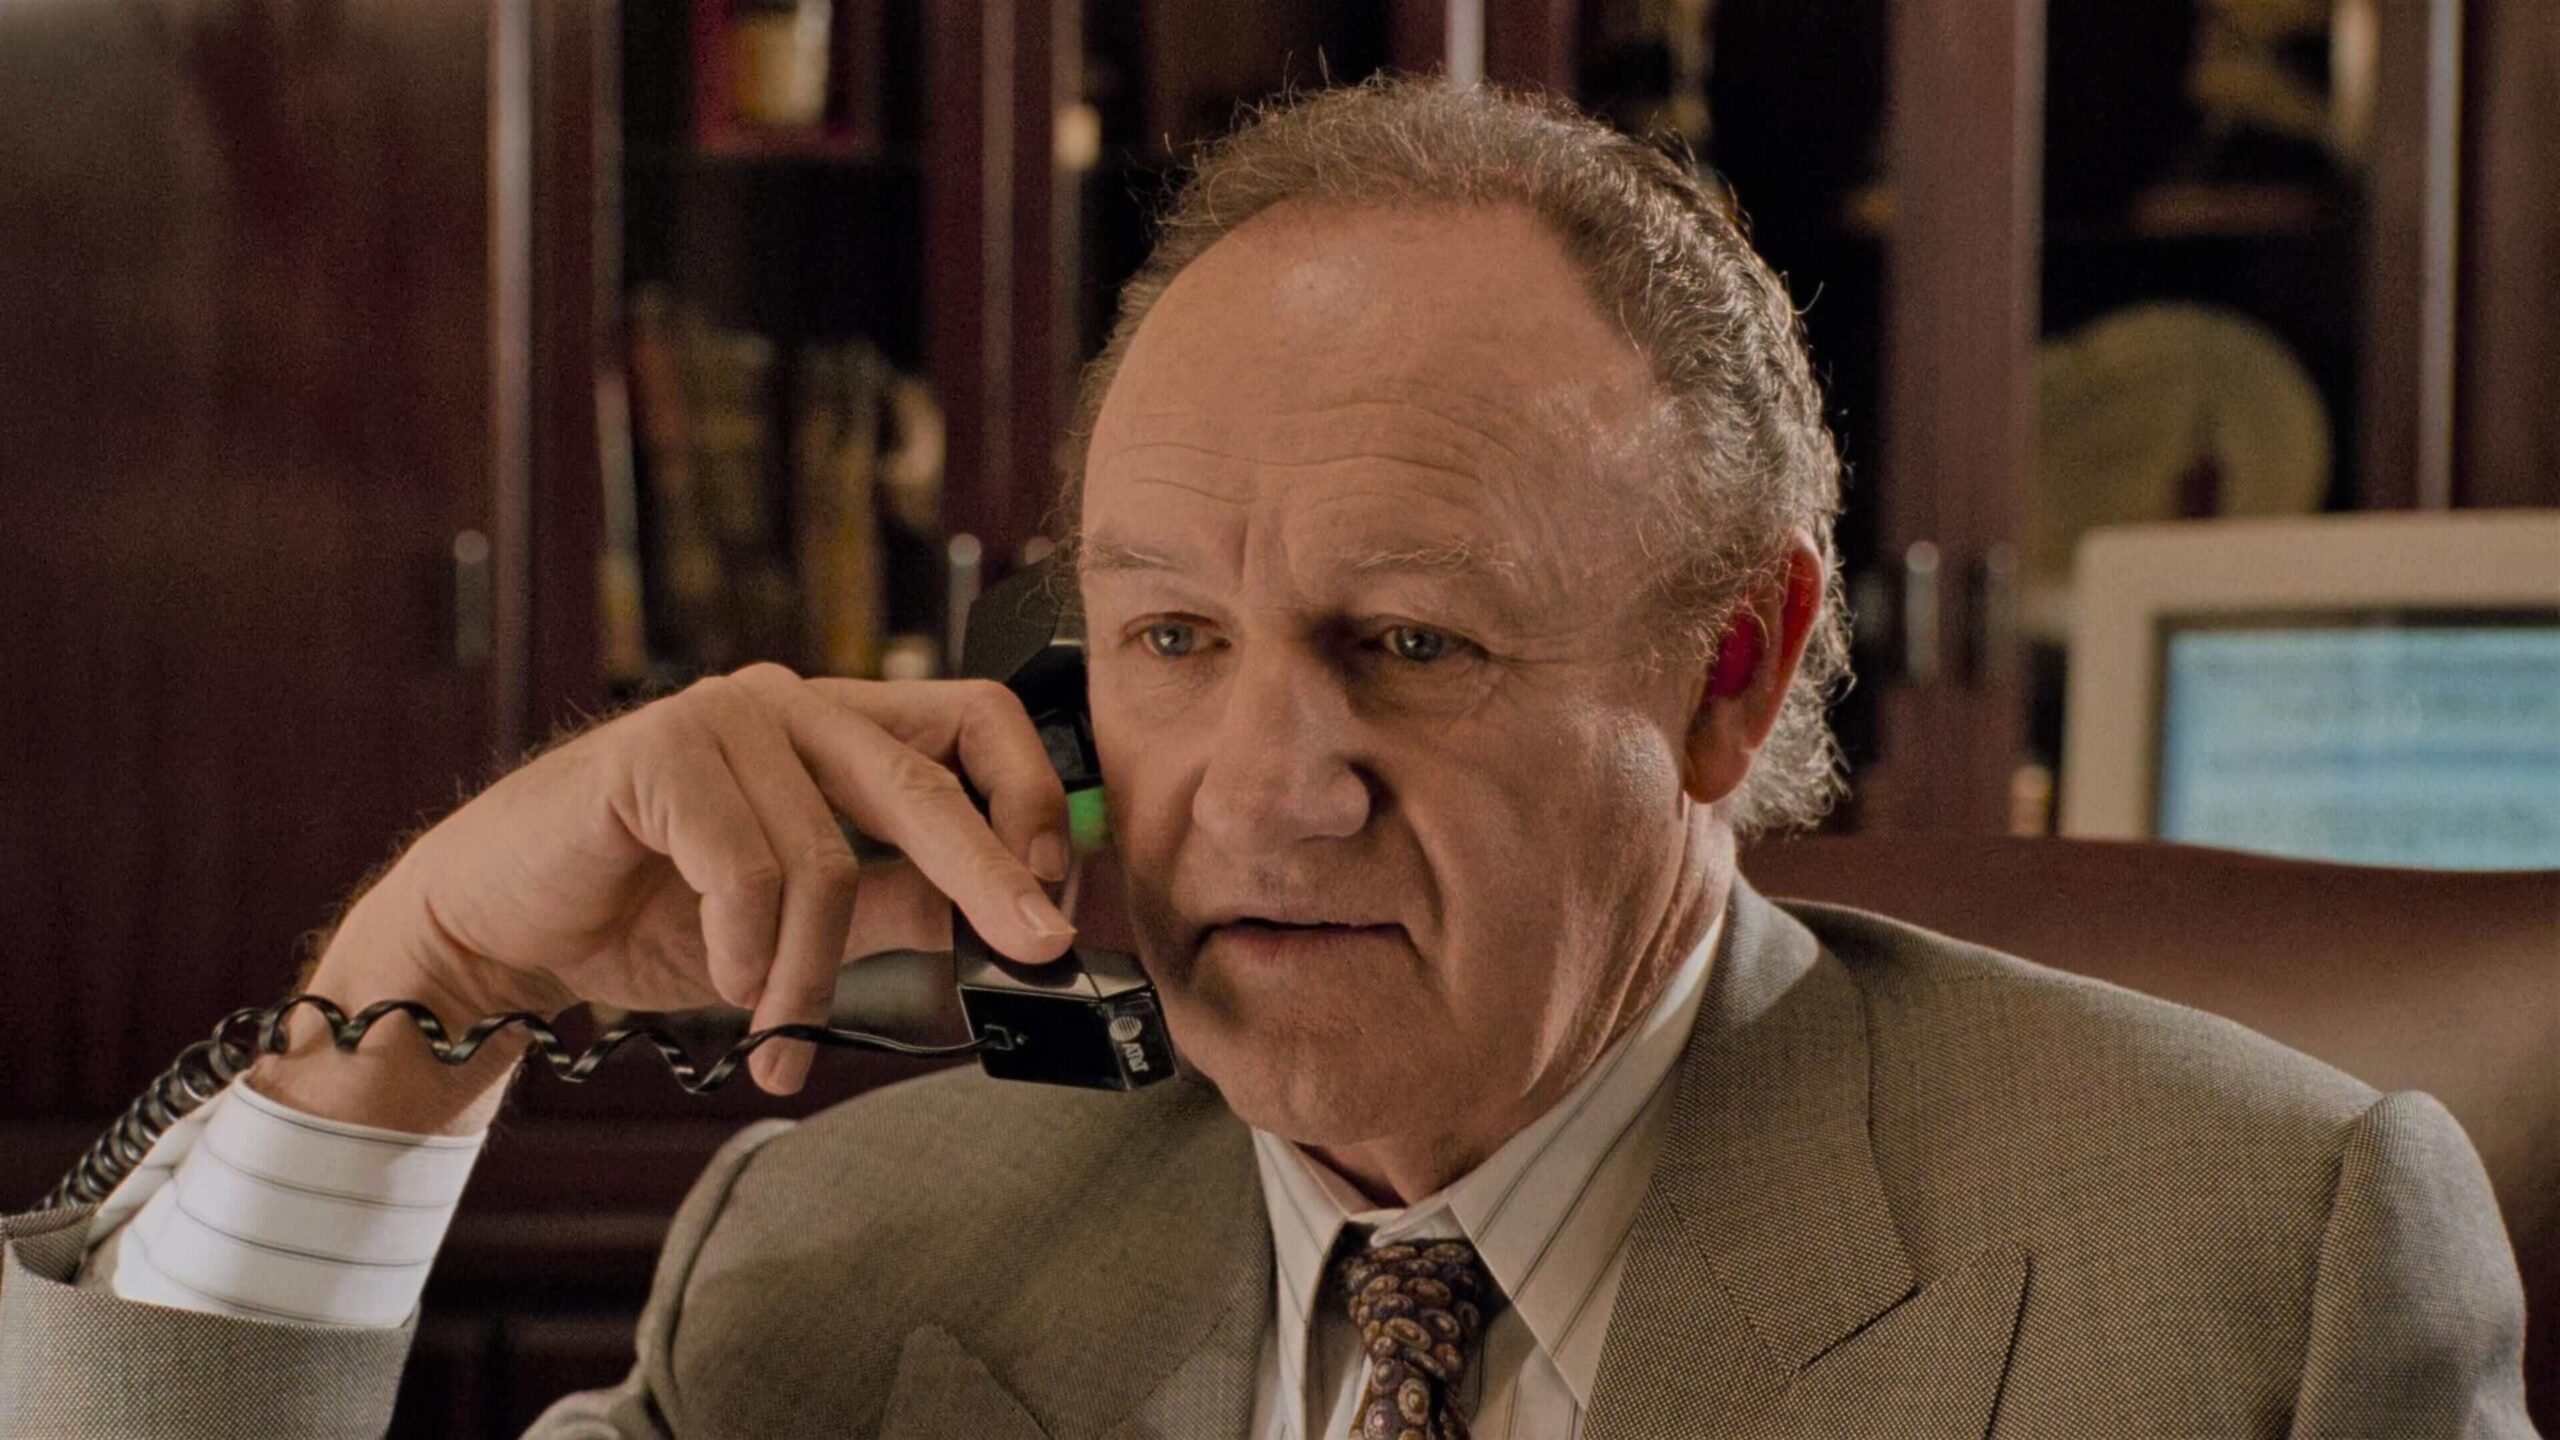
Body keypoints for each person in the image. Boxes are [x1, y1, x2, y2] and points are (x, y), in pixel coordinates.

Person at [0, 78, 2530, 1439]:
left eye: (1404, 643)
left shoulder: (2248, 1273)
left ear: (1728, 677)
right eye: (1171, 638)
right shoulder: (847, 1267)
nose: (1260, 782)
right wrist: (429, 976)